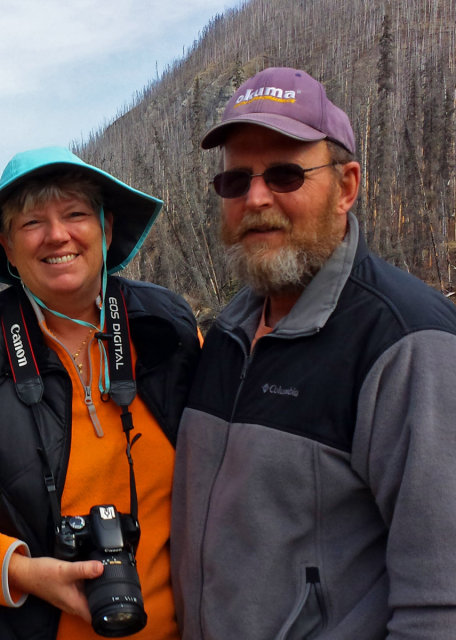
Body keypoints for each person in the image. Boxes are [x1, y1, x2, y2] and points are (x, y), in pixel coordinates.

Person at [171, 66, 456, 639]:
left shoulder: (407, 345)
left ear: (346, 186)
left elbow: (440, 605)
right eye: (235, 181)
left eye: (284, 174)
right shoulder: (224, 336)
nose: (255, 198)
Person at [0, 146, 201, 639]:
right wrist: (18, 571)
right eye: (32, 223)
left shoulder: (170, 332)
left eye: (75, 214)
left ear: (106, 229)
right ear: (7, 245)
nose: (57, 235)